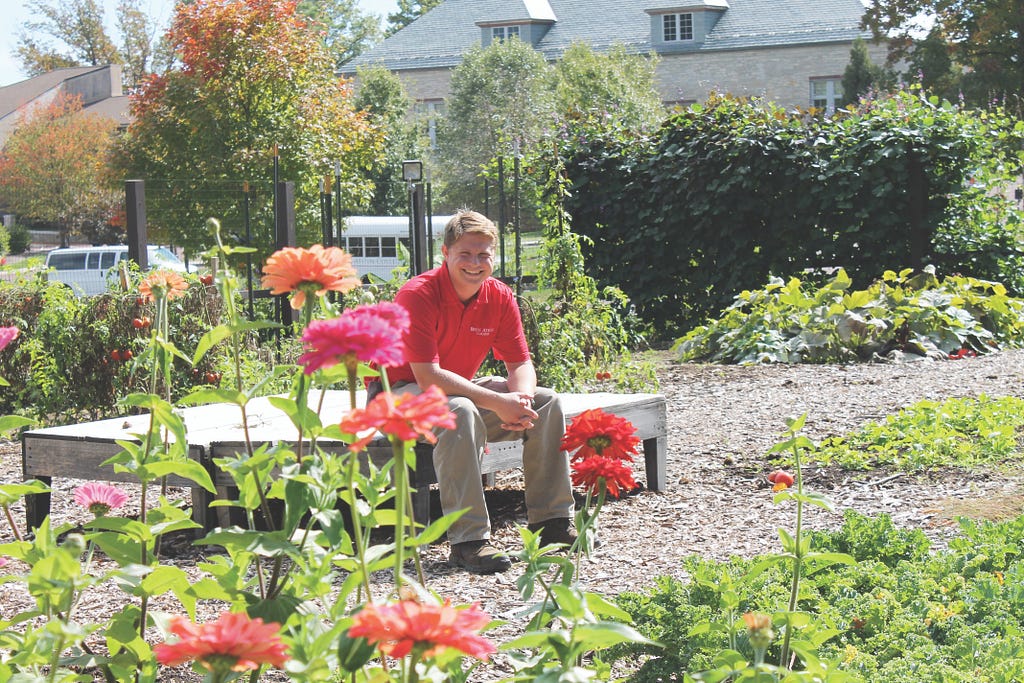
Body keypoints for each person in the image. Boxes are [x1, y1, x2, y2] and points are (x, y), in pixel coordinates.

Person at [385, 210, 576, 574]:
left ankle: (551, 522)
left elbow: (520, 363)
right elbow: (427, 378)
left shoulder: (499, 296)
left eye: (484, 255)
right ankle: (468, 541)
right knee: (458, 410)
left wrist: (520, 402)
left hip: (457, 391)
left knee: (546, 402)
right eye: (465, 255)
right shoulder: (417, 295)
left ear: (493, 256)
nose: (475, 264)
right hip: (397, 396)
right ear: (445, 253)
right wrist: (495, 401)